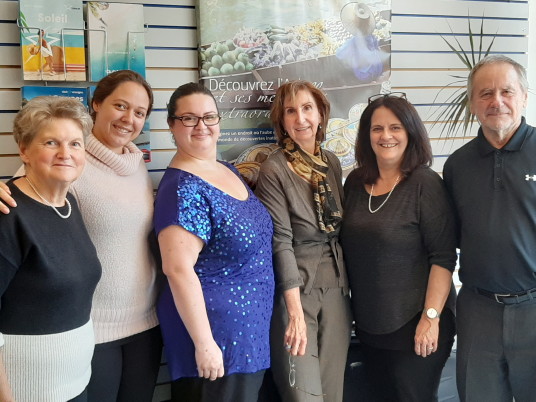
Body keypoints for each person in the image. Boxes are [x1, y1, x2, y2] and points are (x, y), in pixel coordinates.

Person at [0, 70, 162, 401]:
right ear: (97, 104)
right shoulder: (67, 166)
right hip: (91, 330)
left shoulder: (136, 165)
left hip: (141, 322)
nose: (128, 118)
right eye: (120, 105)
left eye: (139, 112)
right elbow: (25, 192)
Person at [153, 82, 274, 402]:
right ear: (171, 125)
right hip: (216, 339)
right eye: (189, 118)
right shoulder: (182, 187)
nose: (201, 126)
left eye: (209, 116)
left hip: (246, 333)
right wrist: (205, 344)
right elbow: (177, 270)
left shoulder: (224, 169)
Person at [340, 93, 457, 401]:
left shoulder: (424, 184)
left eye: (395, 128)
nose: (386, 136)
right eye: (377, 129)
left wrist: (431, 319)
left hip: (416, 324)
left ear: (410, 132)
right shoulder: (353, 183)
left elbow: (443, 258)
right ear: (367, 136)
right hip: (369, 325)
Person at [443, 55, 536, 402]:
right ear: (472, 103)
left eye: (506, 91)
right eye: (485, 93)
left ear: (524, 96)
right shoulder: (457, 166)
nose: (496, 101)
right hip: (478, 311)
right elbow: (446, 242)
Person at [255, 80, 352, 401]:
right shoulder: (274, 170)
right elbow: (280, 241)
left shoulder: (332, 164)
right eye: (291, 111)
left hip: (337, 288)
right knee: (304, 395)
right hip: (295, 292)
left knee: (332, 392)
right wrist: (294, 314)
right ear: (281, 121)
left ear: (321, 114)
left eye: (308, 108)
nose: (301, 119)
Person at [0, 96, 101, 401]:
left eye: (75, 144)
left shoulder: (69, 204)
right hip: (27, 392)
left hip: (75, 384)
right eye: (51, 143)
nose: (65, 153)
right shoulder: (8, 214)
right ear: (24, 150)